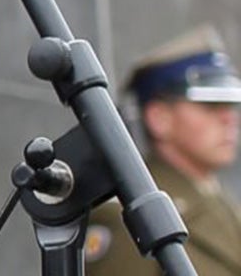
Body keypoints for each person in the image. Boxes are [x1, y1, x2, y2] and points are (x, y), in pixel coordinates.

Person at [88, 28, 241, 276]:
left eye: (231, 105)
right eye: (210, 105)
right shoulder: (128, 216)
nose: (229, 118)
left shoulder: (221, 202)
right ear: (159, 119)